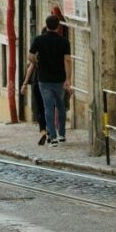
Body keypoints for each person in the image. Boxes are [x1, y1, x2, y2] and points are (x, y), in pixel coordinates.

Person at [29, 14, 71, 148]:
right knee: (61, 106)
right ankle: (62, 134)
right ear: (58, 26)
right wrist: (68, 79)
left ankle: (53, 138)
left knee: (48, 107)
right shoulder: (64, 41)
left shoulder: (38, 40)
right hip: (59, 79)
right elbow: (67, 60)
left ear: (46, 25)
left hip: (44, 79)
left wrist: (37, 63)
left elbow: (30, 56)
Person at [21, 27, 48, 145]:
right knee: (50, 107)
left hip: (38, 82)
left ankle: (43, 132)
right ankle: (51, 131)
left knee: (40, 109)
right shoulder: (56, 48)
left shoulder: (37, 49)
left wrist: (25, 84)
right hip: (52, 82)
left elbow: (31, 67)